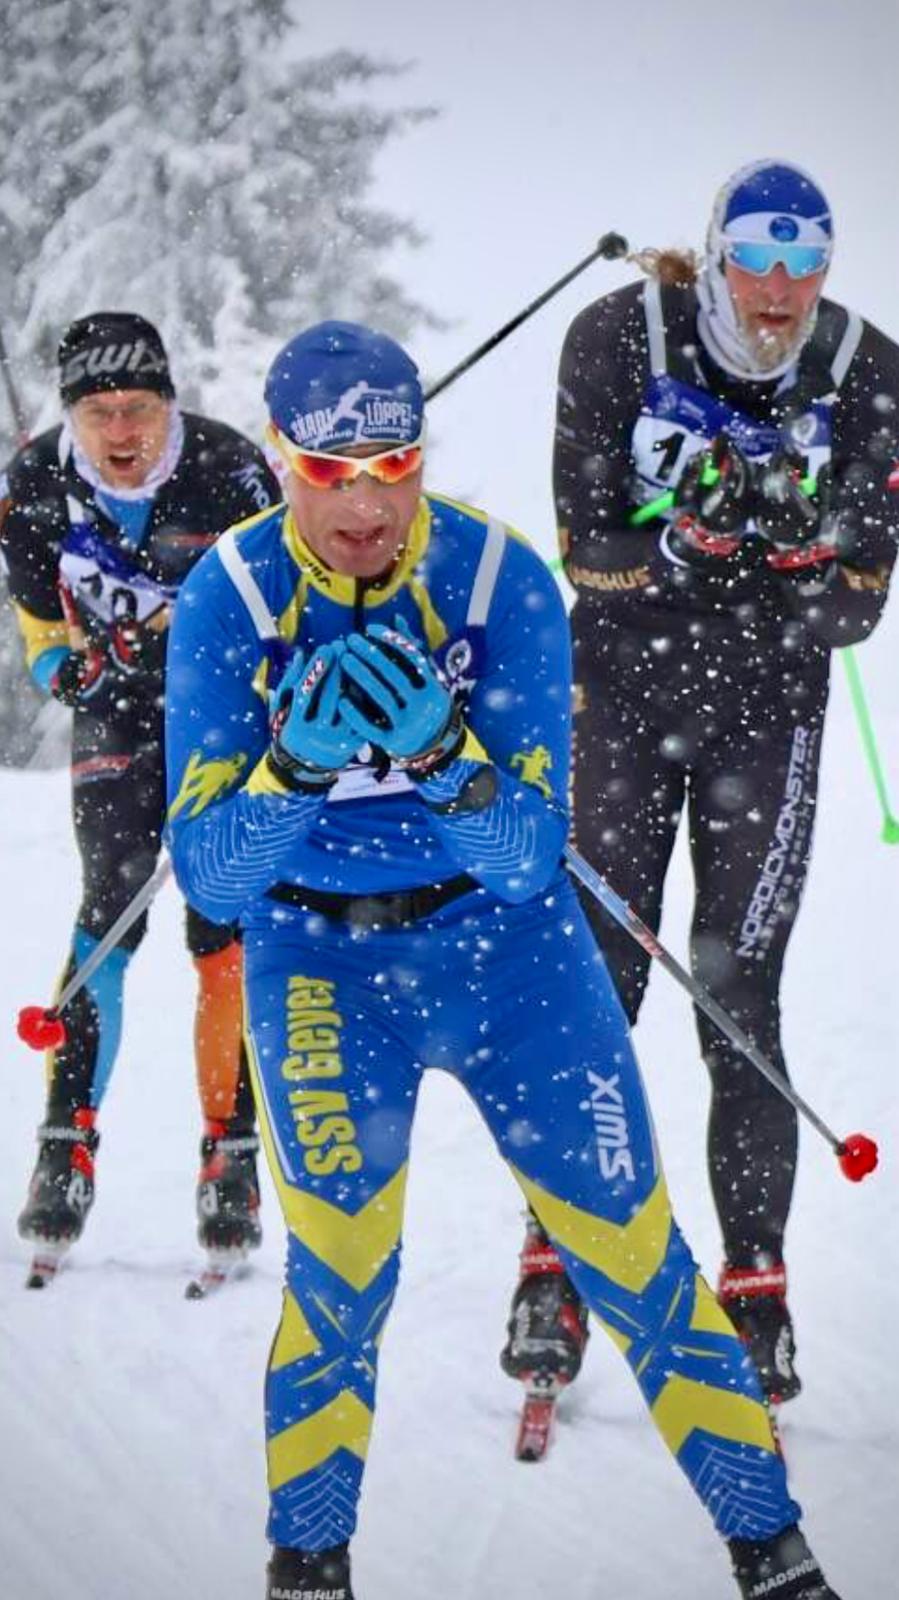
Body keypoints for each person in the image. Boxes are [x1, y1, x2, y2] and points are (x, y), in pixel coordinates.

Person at [165, 318, 843, 1600]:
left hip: (504, 954)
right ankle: (307, 1572)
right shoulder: (233, 595)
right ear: (279, 459)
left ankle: (778, 1559)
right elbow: (211, 882)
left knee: (638, 1263)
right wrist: (295, 768)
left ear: (423, 454)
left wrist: (446, 757)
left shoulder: (497, 581)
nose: (363, 502)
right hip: (319, 962)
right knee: (341, 1286)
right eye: (325, 471)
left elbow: (532, 856)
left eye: (392, 461)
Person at [500, 159, 899, 1409]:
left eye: (803, 264)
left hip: (762, 715)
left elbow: (854, 607)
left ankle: (755, 1280)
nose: (778, 291)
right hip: (615, 697)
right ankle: (556, 1260)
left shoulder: (868, 371)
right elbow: (586, 548)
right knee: (597, 978)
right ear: (716, 251)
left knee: (734, 990)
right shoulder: (622, 335)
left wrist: (789, 549)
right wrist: (684, 540)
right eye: (756, 260)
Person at [0, 310, 280, 1270]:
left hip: (217, 720)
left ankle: (230, 1154)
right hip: (116, 718)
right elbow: (40, 631)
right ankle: (64, 1147)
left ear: (169, 403)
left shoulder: (232, 473)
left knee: (221, 918)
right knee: (109, 909)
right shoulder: (35, 485)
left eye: (140, 409)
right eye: (100, 413)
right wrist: (72, 674)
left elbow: (285, 609)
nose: (123, 435)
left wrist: (199, 648)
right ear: (72, 416)